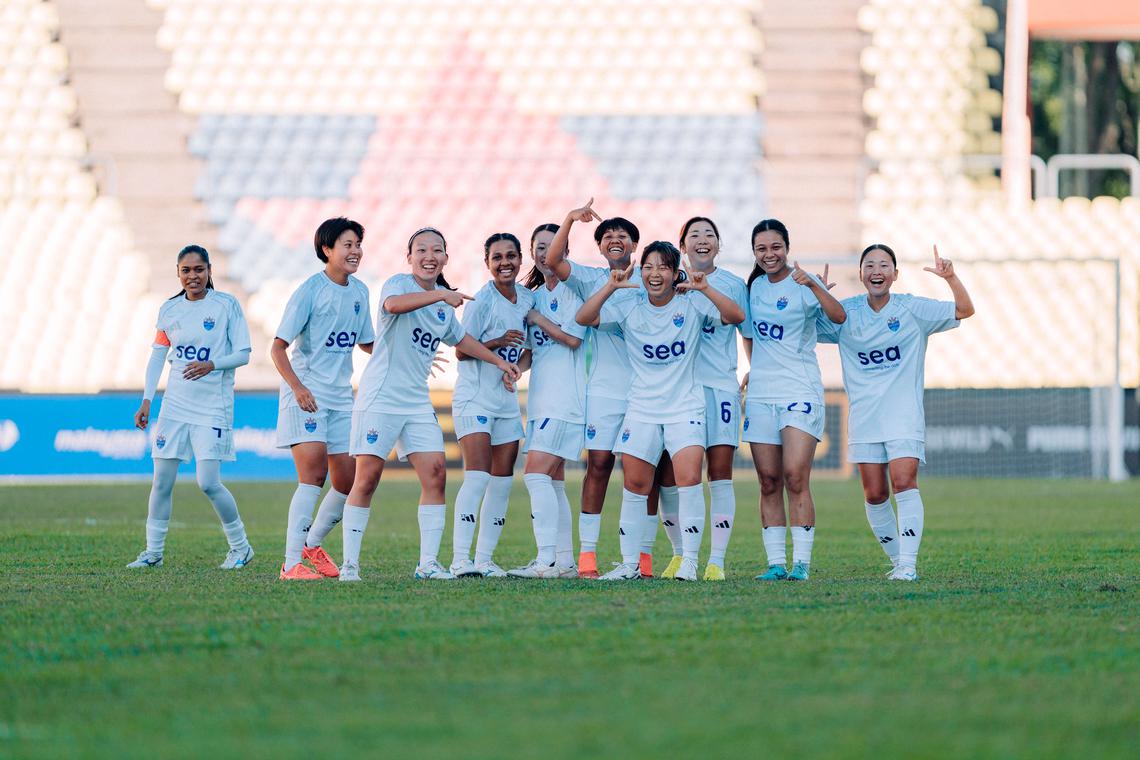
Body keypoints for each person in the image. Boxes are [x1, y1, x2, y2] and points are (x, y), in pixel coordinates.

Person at [341, 228, 520, 582]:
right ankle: (350, 565)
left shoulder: (442, 307)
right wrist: (440, 293)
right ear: (409, 258)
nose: (429, 256)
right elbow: (393, 306)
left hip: (415, 401)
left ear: (445, 258)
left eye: (437, 250)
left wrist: (500, 362)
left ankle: (428, 564)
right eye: (421, 250)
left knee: (436, 475)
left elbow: (463, 340)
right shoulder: (398, 284)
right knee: (367, 480)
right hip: (380, 397)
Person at [575, 241, 745, 581]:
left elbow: (735, 316)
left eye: (663, 267)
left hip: (685, 407)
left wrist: (706, 288)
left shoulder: (692, 304)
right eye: (648, 267)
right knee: (635, 486)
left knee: (689, 481)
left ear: (674, 273)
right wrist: (611, 285)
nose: (655, 274)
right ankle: (628, 565)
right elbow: (584, 317)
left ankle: (690, 562)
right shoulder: (630, 308)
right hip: (641, 408)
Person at [817, 244, 973, 580]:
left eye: (884, 265)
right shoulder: (845, 313)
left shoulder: (912, 308)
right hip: (864, 417)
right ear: (860, 274)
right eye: (869, 265)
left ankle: (908, 565)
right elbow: (801, 332)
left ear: (895, 274)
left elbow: (964, 310)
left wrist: (951, 277)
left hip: (903, 414)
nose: (877, 271)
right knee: (875, 494)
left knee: (904, 482)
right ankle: (897, 560)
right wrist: (817, 294)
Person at [543, 200, 658, 579]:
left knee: (644, 473)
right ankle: (588, 558)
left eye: (622, 235)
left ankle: (643, 560)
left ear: (634, 245)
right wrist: (570, 218)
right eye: (607, 235)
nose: (614, 239)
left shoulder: (653, 277)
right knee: (599, 466)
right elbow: (554, 259)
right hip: (605, 390)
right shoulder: (591, 278)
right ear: (599, 246)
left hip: (646, 391)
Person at [129, 244, 254, 570]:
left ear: (209, 270)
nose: (193, 276)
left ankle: (241, 547)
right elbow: (158, 356)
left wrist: (212, 365)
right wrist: (147, 400)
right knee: (161, 481)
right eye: (186, 270)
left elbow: (243, 353)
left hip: (213, 406)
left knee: (208, 482)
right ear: (178, 274)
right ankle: (153, 552)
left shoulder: (227, 305)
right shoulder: (169, 310)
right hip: (174, 407)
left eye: (199, 269)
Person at [272, 218, 375, 581]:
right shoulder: (309, 291)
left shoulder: (360, 291)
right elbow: (278, 347)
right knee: (313, 477)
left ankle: (311, 545)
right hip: (308, 396)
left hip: (341, 397)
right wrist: (298, 388)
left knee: (347, 481)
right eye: (347, 244)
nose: (355, 251)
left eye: (358, 244)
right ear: (327, 250)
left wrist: (401, 356)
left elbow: (366, 342)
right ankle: (290, 564)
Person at [742, 220, 845, 581]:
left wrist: (816, 287)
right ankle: (775, 564)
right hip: (761, 395)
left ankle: (801, 563)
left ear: (787, 247)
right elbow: (749, 332)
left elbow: (839, 317)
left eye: (776, 247)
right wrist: (755, 369)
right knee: (768, 480)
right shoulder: (752, 286)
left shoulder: (804, 281)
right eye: (762, 249)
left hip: (800, 391)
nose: (769, 255)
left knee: (794, 475)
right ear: (754, 252)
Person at [660, 216, 751, 581]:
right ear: (682, 245)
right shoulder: (667, 280)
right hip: (678, 391)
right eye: (694, 235)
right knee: (672, 476)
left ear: (718, 245)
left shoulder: (731, 284)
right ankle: (681, 555)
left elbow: (745, 327)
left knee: (719, 474)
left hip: (720, 388)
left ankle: (716, 560)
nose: (702, 240)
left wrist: (754, 368)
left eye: (709, 235)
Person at [449, 233, 535, 578]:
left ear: (519, 260)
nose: (505, 263)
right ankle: (459, 559)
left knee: (501, 482)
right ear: (487, 263)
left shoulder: (528, 299)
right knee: (478, 476)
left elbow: (528, 351)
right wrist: (498, 344)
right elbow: (460, 348)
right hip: (474, 398)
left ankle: (484, 559)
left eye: (511, 256)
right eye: (497, 257)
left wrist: (517, 369)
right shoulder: (481, 301)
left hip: (506, 402)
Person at [507, 224, 589, 578]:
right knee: (554, 480)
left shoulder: (575, 292)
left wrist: (540, 319)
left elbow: (572, 340)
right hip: (541, 399)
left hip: (566, 398)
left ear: (564, 250)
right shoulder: (533, 297)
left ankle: (545, 561)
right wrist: (514, 368)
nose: (544, 253)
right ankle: (564, 561)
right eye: (538, 247)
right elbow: (533, 352)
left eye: (551, 246)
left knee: (535, 474)